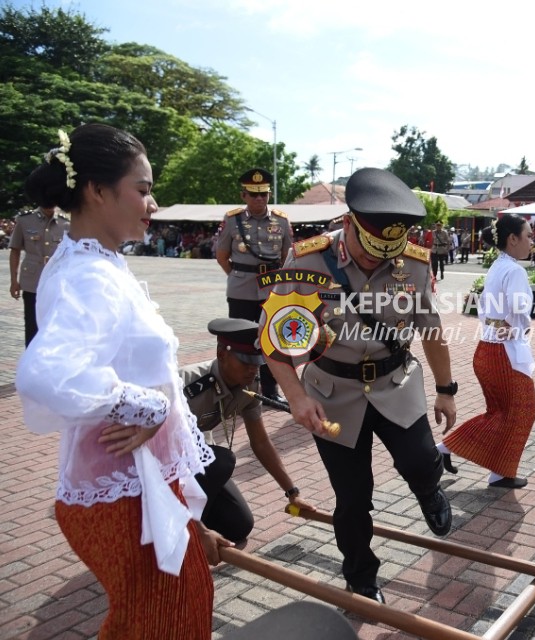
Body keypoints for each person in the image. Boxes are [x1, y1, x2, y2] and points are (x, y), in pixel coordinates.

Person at [16, 123, 229, 638]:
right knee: (165, 623)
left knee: (161, 617)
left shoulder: (92, 262)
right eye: (143, 187)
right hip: (123, 492)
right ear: (96, 190)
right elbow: (46, 373)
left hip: (137, 481)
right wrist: (147, 407)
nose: (152, 202)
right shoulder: (88, 274)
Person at [262, 167, 456, 604]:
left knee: (423, 461)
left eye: (385, 255)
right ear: (348, 223)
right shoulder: (307, 261)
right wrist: (295, 397)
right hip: (331, 394)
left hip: (395, 384)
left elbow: (431, 329)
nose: (377, 262)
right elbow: (274, 338)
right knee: (353, 499)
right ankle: (360, 576)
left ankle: (429, 492)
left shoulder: (413, 263)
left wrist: (447, 389)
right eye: (370, 253)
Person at [182, 318, 317, 543]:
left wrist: (293, 494)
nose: (253, 369)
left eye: (256, 363)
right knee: (222, 460)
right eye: (245, 362)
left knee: (239, 526)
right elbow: (165, 457)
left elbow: (261, 442)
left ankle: (192, 522)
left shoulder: (249, 385)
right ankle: (179, 528)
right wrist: (199, 530)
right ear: (222, 354)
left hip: (195, 462)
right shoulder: (188, 387)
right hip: (164, 468)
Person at [437, 213, 535, 489]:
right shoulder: (514, 270)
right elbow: (520, 309)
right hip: (503, 353)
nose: (531, 241)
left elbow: (484, 309)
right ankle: (443, 449)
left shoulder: (498, 266)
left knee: (503, 413)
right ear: (512, 239)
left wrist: (503, 324)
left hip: (489, 349)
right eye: (528, 235)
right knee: (521, 412)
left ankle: (500, 472)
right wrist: (519, 328)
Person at [215, 168, 292, 404]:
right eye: (253, 194)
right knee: (240, 339)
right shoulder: (232, 219)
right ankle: (240, 386)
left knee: (272, 339)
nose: (259, 199)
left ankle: (270, 389)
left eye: (264, 195)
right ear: (244, 196)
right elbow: (222, 255)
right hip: (241, 290)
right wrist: (237, 276)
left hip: (272, 290)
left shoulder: (281, 219)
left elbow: (287, 256)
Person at [8, 202, 70, 346]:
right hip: (32, 282)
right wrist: (13, 281)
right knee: (32, 325)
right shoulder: (25, 220)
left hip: (57, 281)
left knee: (55, 325)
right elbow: (15, 250)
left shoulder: (66, 222)